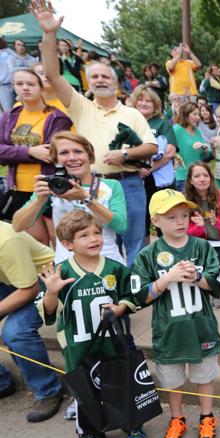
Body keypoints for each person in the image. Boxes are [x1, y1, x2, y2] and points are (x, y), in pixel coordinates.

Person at [34, 3, 156, 266]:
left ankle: (131, 295)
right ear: (89, 82)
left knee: (134, 239)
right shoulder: (80, 105)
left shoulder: (132, 113)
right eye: (95, 77)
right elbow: (52, 74)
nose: (101, 80)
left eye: (105, 76)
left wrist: (125, 153)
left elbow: (151, 146)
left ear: (115, 82)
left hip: (129, 182)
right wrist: (49, 34)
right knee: (95, 240)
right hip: (92, 185)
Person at [37, 211, 145, 438]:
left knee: (120, 380)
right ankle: (90, 432)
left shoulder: (115, 269)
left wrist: (120, 308)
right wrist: (51, 292)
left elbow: (133, 296)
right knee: (84, 389)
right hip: (78, 343)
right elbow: (48, 313)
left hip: (111, 340)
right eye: (84, 235)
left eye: (96, 232)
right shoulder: (60, 273)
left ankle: (131, 423)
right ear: (67, 244)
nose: (93, 238)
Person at [131, 189, 220, 438]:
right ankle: (177, 418)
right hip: (168, 329)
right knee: (171, 379)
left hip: (201, 326)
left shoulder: (202, 247)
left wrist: (197, 277)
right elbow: (140, 296)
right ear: (156, 221)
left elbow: (216, 284)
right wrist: (167, 278)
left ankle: (207, 417)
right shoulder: (147, 255)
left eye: (184, 215)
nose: (180, 221)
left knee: (205, 374)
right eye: (171, 217)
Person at [13, 131, 127, 264]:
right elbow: (18, 226)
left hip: (108, 264)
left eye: (78, 151)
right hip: (68, 268)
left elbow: (121, 226)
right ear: (56, 160)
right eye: (64, 153)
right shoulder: (53, 187)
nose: (72, 157)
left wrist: (87, 198)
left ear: (89, 156)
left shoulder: (111, 185)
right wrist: (39, 201)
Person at [0, 68, 72, 247]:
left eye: (31, 84)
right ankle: (44, 276)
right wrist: (30, 152)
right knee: (36, 241)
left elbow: (51, 153)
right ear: (14, 87)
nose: (25, 88)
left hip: (50, 186)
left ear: (41, 88)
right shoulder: (10, 116)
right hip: (19, 188)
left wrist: (12, 152)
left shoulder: (57, 117)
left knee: (59, 239)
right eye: (19, 84)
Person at [0, 220, 63, 422]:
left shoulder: (6, 239)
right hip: (11, 279)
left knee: (15, 332)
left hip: (46, 280)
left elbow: (29, 289)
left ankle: (48, 390)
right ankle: (2, 382)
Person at [184, 162, 220, 309]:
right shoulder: (187, 202)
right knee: (193, 250)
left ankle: (217, 289)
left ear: (211, 178)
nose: (202, 179)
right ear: (191, 181)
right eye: (197, 176)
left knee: (219, 253)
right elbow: (187, 233)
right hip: (204, 242)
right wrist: (199, 228)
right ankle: (211, 280)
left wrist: (217, 222)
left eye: (205, 175)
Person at [128, 86, 178, 237]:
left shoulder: (162, 124)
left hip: (159, 181)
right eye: (141, 100)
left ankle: (169, 255)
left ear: (155, 104)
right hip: (135, 178)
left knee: (165, 219)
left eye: (148, 101)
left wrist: (149, 168)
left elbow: (169, 152)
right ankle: (145, 257)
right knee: (141, 222)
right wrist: (136, 169)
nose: (144, 103)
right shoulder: (129, 122)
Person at [172, 102, 212, 191]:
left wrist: (205, 149)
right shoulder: (177, 129)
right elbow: (168, 148)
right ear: (186, 115)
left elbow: (204, 155)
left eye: (198, 115)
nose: (198, 117)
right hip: (183, 177)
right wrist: (175, 158)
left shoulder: (197, 131)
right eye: (194, 114)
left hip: (198, 177)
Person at [0, 39, 37, 112]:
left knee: (17, 108)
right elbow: (12, 69)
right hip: (5, 85)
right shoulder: (10, 55)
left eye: (22, 45)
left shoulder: (7, 53)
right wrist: (28, 68)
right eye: (18, 45)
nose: (21, 47)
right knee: (7, 110)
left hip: (9, 84)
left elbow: (13, 69)